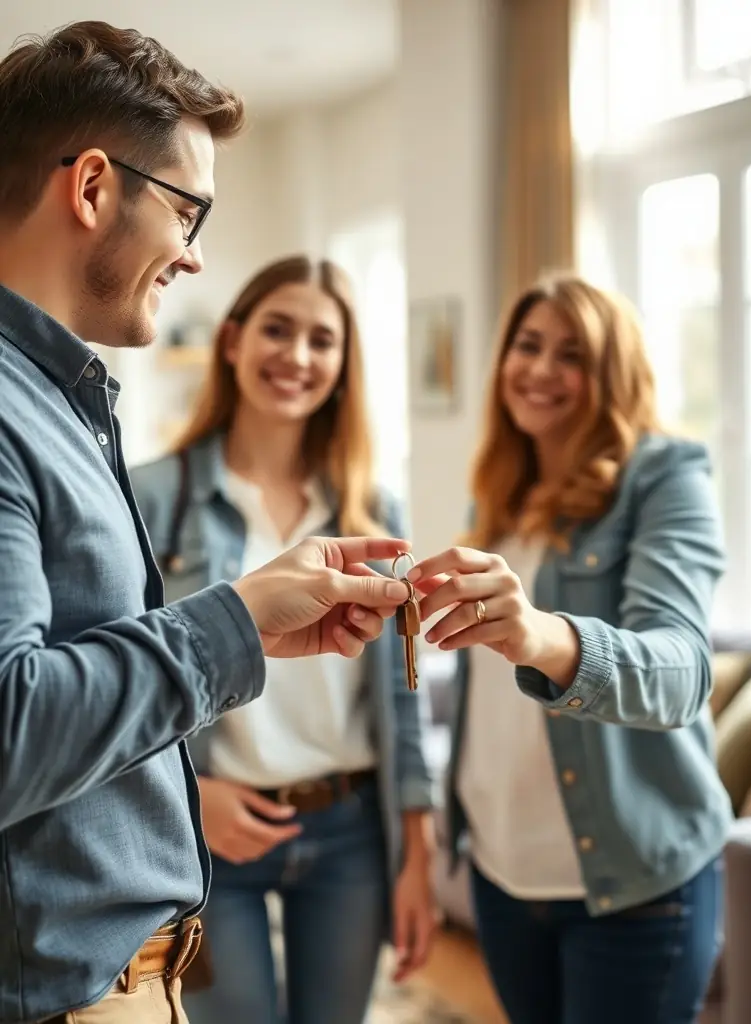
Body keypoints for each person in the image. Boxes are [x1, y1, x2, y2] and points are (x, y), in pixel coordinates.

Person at [0, 23, 412, 1024]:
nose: (191, 255)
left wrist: (247, 627)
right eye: (188, 211)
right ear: (93, 187)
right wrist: (237, 620)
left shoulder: (64, 403)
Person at [406, 275, 732, 1024]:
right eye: (528, 345)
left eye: (573, 354)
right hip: (501, 869)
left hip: (632, 884)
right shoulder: (500, 492)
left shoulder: (667, 477)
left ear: (614, 372)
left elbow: (683, 671)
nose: (541, 369)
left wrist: (540, 634)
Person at [130, 254, 437, 1024]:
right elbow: (124, 675)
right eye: (277, 329)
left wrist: (417, 852)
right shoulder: (153, 496)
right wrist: (189, 795)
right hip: (214, 830)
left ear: (343, 366)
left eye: (321, 340)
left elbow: (402, 694)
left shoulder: (373, 512)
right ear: (233, 341)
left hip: (349, 833)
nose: (297, 355)